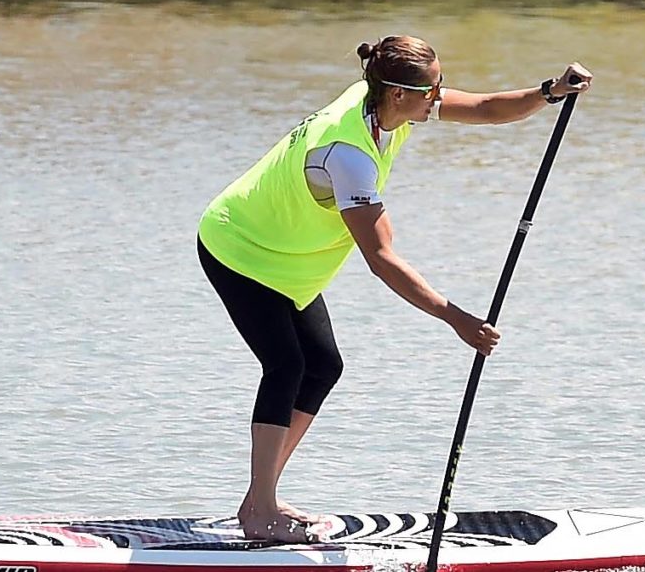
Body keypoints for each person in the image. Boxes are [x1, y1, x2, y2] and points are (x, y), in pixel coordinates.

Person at [196, 35, 592, 544]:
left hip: (289, 262)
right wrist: (459, 320)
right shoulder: (349, 156)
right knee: (286, 365)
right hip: (240, 250)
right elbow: (382, 260)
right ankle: (261, 512)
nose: (441, 95)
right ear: (399, 94)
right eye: (433, 89)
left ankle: (259, 496)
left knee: (323, 366)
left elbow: (489, 108)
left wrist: (550, 92)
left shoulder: (388, 103)